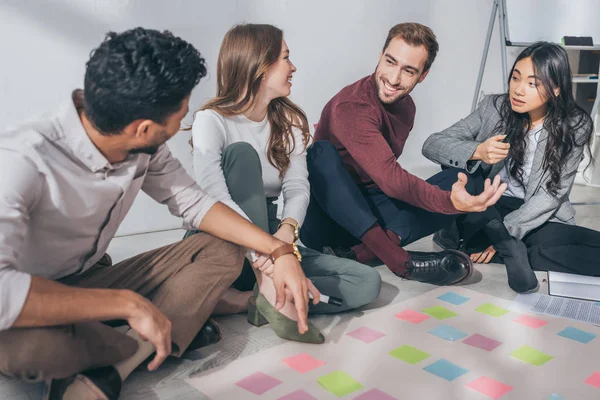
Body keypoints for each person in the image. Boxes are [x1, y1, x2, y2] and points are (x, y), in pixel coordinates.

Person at [0, 28, 320, 400]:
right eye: (178, 115)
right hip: (29, 296)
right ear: (144, 129)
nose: (181, 124)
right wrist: (126, 303)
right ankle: (155, 332)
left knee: (222, 247)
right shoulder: (21, 161)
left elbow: (197, 205)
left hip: (89, 278)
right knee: (38, 352)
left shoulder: (142, 146)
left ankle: (120, 358)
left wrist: (279, 251)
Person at [187, 24, 382, 344]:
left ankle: (244, 300)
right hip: (223, 238)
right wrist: (265, 254)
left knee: (366, 282)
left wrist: (286, 234)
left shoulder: (289, 122)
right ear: (260, 66)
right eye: (286, 58)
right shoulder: (212, 120)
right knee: (242, 155)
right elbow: (214, 195)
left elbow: (297, 188)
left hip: (273, 237)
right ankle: (264, 287)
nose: (293, 67)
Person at [299, 22, 506, 285]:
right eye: (390, 62)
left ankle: (360, 253)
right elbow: (391, 180)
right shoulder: (352, 105)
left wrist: (457, 198)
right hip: (328, 221)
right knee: (320, 153)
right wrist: (450, 204)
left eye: (408, 71)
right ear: (380, 57)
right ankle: (399, 261)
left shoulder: (406, 107)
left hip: (371, 210)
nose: (394, 79)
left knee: (465, 180)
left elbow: (386, 180)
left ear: (423, 75)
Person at [423, 42, 597, 293]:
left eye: (532, 83)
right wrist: (477, 151)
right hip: (487, 204)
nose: (518, 90)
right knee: (459, 177)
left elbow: (551, 194)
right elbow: (433, 144)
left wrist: (509, 230)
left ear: (556, 88)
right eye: (515, 78)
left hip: (532, 211)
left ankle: (505, 244)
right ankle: (506, 245)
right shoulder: (494, 108)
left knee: (586, 249)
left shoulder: (574, 125)